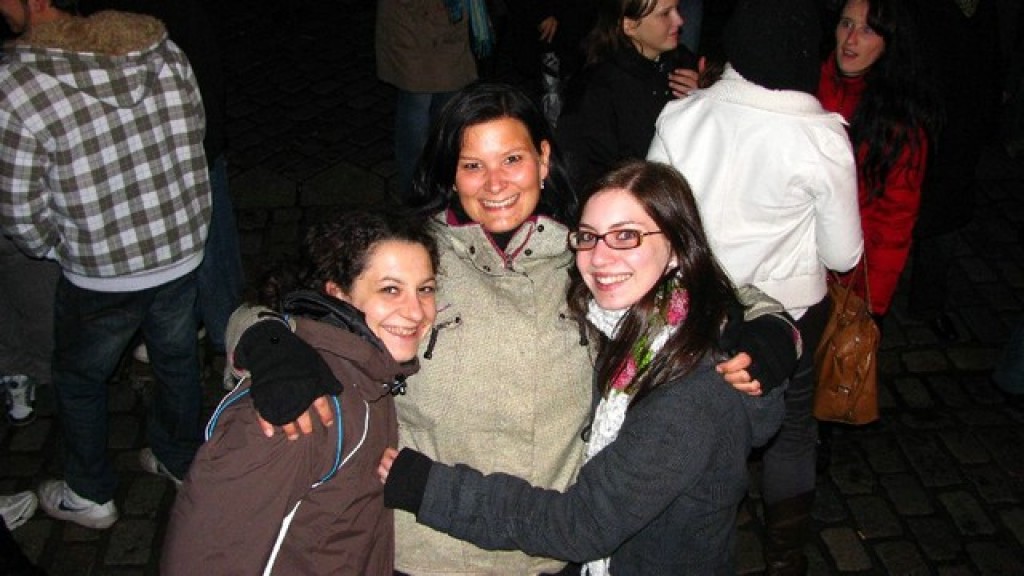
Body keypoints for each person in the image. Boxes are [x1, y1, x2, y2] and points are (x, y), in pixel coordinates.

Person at [241, 82, 794, 574]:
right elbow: (276, 303)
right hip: (433, 553)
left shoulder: (587, 259)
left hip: (555, 553)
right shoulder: (413, 261)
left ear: (543, 159)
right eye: (472, 165)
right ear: (449, 173)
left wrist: (774, 330)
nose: (495, 184)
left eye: (512, 159)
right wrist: (268, 346)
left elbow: (706, 286)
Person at [379, 160, 789, 574]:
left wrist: (427, 485)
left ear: (678, 248)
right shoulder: (629, 326)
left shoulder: (688, 395)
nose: (599, 258)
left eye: (626, 236)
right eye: (589, 237)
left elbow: (581, 525)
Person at [647, 0, 864, 573]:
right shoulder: (821, 137)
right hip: (788, 315)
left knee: (700, 421)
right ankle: (785, 557)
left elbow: (651, 224)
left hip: (695, 307)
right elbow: (844, 253)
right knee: (792, 433)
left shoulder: (682, 117)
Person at [0, 0, 211, 529]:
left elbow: (19, 210)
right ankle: (180, 459)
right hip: (180, 251)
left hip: (100, 272)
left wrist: (60, 247)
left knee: (78, 377)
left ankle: (90, 492)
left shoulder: (17, 83)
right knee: (176, 361)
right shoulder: (162, 51)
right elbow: (195, 139)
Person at [162, 212, 438, 575]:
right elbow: (202, 559)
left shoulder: (372, 371)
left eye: (425, 289)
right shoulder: (297, 410)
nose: (416, 312)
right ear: (338, 294)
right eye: (390, 289)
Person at [78, 0, 245, 362]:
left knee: (209, 231)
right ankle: (200, 325)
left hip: (187, 129)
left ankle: (228, 333)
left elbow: (197, 65)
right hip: (167, 129)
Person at [817, 0, 941, 317]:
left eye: (868, 30)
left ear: (889, 43)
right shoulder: (808, 82)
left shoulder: (899, 125)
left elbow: (893, 224)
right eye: (846, 24)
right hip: (789, 264)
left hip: (843, 279)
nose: (851, 39)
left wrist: (872, 308)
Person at [558, 0, 700, 190]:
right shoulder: (597, 88)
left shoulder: (683, 64)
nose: (680, 20)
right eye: (665, 14)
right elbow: (590, 172)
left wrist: (703, 98)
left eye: (677, 9)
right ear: (630, 26)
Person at [375, 0, 477, 199]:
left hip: (448, 23)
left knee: (447, 110)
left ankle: (440, 182)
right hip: (413, 22)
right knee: (418, 106)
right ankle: (417, 189)